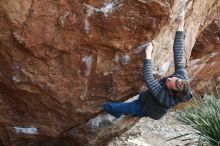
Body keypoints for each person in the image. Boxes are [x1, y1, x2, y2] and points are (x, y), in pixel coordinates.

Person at [103, 1, 192, 120]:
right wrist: (180, 27)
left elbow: (149, 79)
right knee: (144, 96)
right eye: (173, 77)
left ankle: (110, 109)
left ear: (171, 92)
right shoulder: (182, 79)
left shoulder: (166, 99)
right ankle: (130, 109)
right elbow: (178, 54)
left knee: (114, 107)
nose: (170, 78)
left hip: (147, 109)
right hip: (148, 97)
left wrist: (148, 55)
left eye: (169, 82)